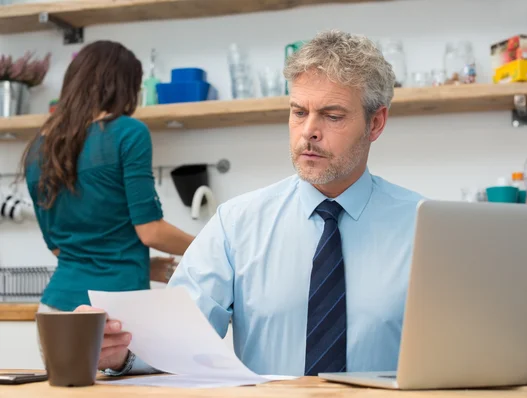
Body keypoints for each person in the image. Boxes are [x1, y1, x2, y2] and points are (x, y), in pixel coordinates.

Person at [81, 30, 425, 377]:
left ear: (375, 123)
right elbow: (177, 340)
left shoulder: (426, 228)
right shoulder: (236, 223)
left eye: (332, 116)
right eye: (298, 112)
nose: (309, 131)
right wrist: (120, 352)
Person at [20, 40, 195, 314]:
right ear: (123, 87)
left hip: (54, 308)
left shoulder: (39, 148)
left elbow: (62, 250)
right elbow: (151, 231)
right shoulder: (128, 132)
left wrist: (143, 266)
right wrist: (210, 246)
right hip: (115, 310)